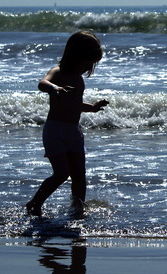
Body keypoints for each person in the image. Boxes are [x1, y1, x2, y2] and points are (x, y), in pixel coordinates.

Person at [26, 31, 109, 217]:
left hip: (74, 132)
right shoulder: (58, 72)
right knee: (61, 174)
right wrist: (55, 88)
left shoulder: (78, 80)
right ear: (74, 56)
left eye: (92, 64)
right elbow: (42, 83)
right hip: (55, 131)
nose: (88, 67)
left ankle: (78, 208)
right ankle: (34, 203)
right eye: (87, 62)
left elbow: (75, 104)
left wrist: (93, 108)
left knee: (79, 174)